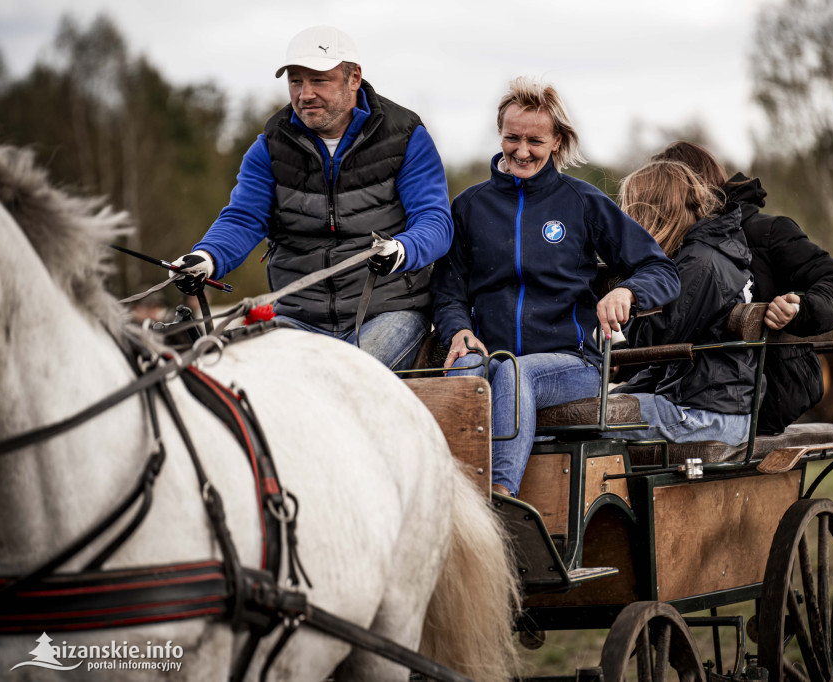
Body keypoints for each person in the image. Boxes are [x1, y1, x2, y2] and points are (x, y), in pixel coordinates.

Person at [432, 77, 680, 498]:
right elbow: (447, 290)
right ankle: (446, 498)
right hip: (491, 356)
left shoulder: (582, 201)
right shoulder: (471, 206)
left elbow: (661, 270)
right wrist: (458, 330)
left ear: (558, 142)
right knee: (464, 373)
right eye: (512, 138)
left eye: (535, 140)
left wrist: (627, 292)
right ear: (500, 134)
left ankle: (498, 498)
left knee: (513, 372)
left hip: (575, 363)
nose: (522, 151)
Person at [171, 25, 453, 370]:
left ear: (354, 78)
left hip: (388, 312)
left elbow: (435, 221)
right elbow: (243, 218)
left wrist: (403, 249)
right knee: (240, 374)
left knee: (348, 376)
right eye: (295, 81)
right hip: (297, 317)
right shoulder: (269, 148)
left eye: (319, 80)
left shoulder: (407, 137)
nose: (305, 94)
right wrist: (205, 258)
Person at [654, 141, 833, 434]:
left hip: (769, 392)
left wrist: (799, 308)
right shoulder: (684, 247)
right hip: (696, 392)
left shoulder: (768, 233)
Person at [609, 160, 757, 446]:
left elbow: (653, 343)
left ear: (655, 212)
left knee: (579, 422)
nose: (627, 223)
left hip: (704, 413)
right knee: (592, 409)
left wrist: (628, 289)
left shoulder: (698, 262)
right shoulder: (710, 252)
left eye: (632, 212)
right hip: (713, 405)